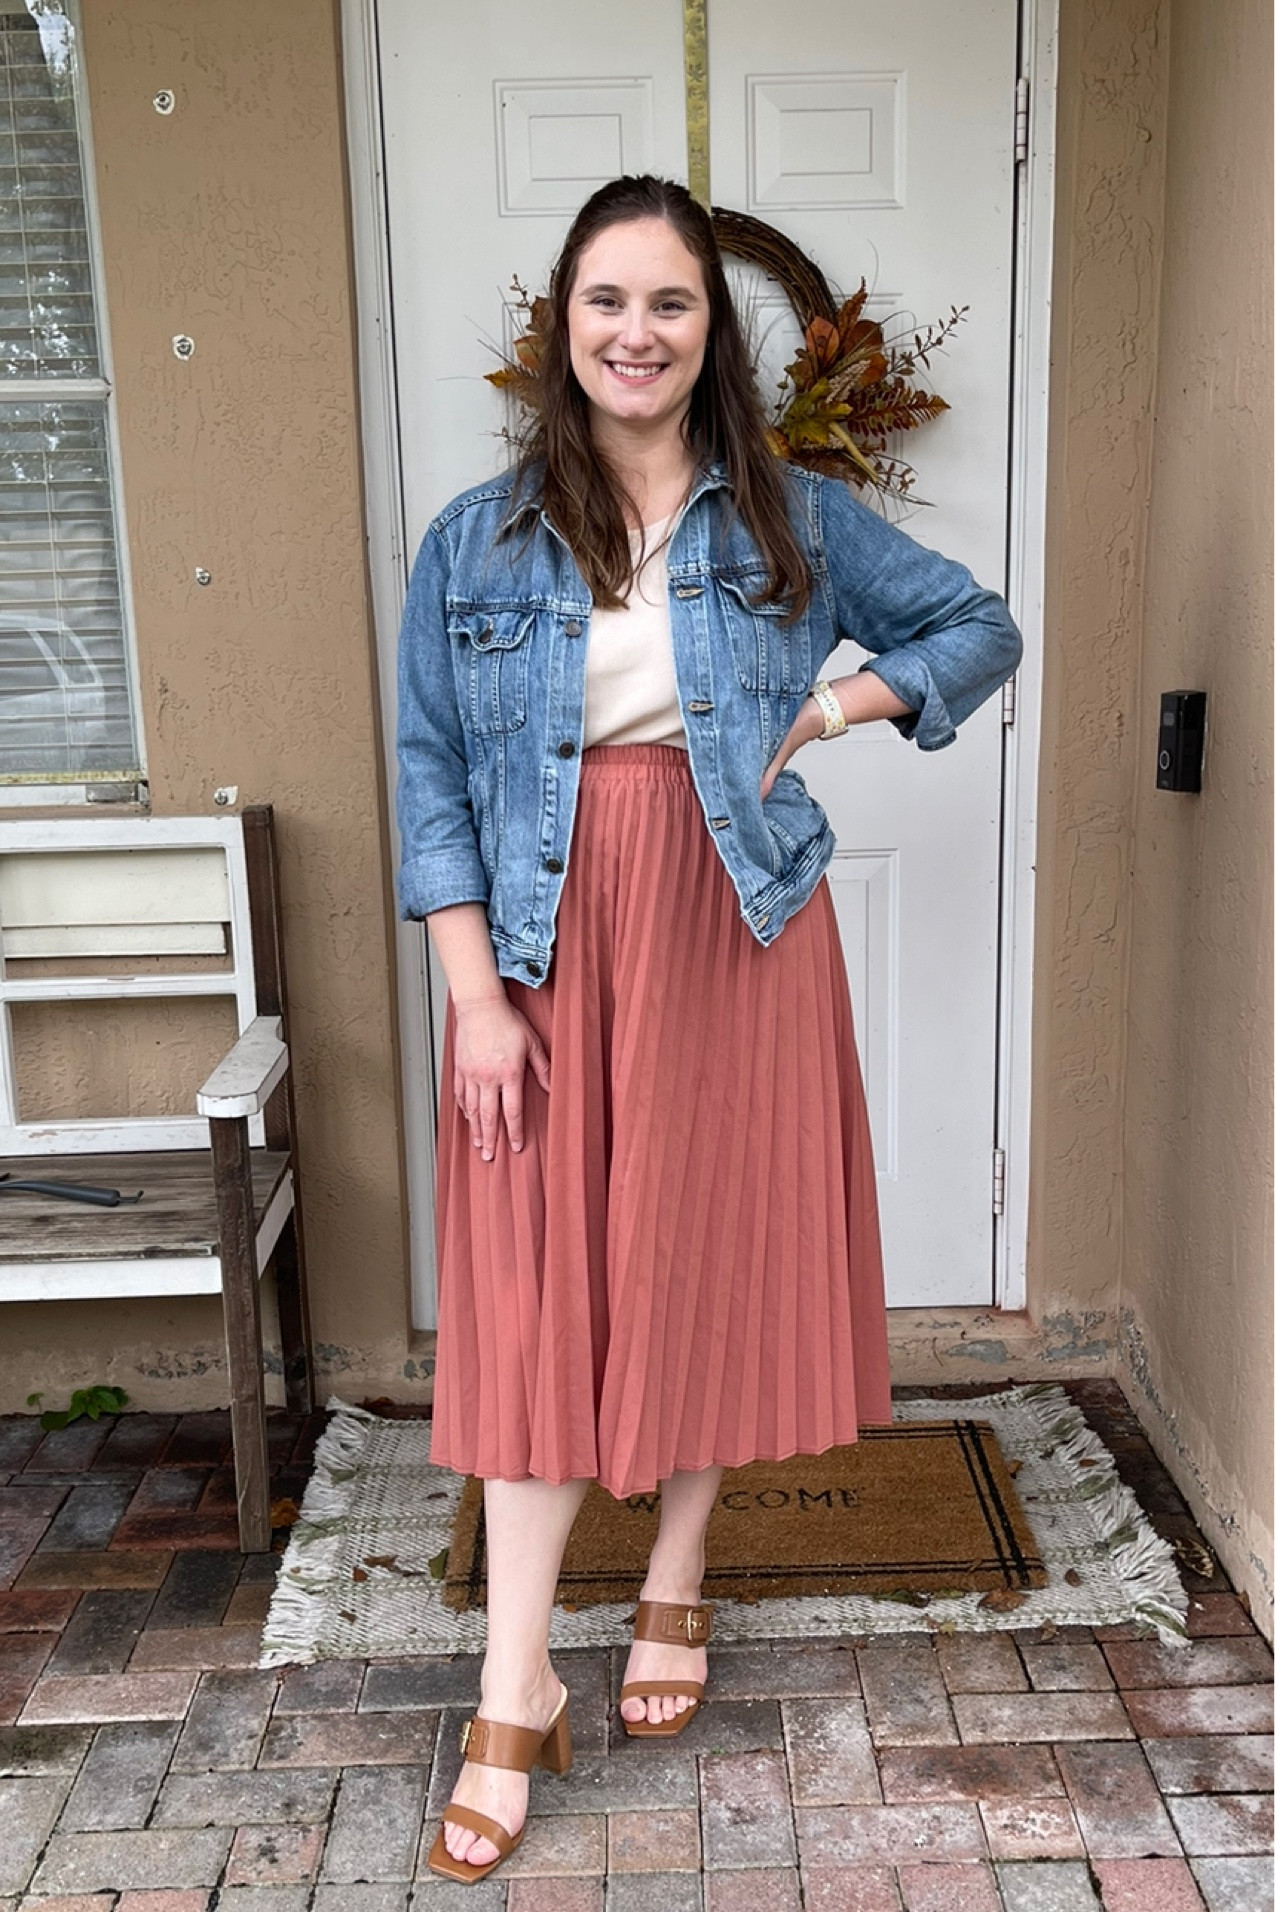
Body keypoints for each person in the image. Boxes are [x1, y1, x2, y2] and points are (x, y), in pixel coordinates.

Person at [395, 173, 1022, 1884]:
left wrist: (834, 700)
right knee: (534, 1295)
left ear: (708, 331)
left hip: (737, 927)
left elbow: (980, 628)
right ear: (563, 324)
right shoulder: (475, 539)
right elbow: (432, 776)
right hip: (536, 937)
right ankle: (511, 1682)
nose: (636, 333)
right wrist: (474, 999)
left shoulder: (791, 516)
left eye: (669, 303)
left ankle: (675, 1573)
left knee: (696, 1259)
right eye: (607, 300)